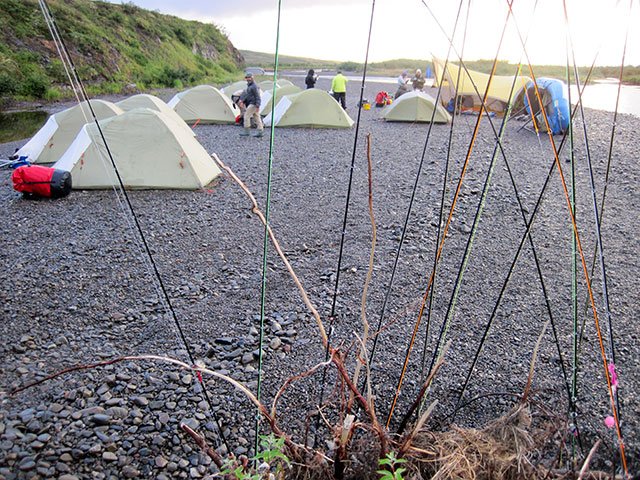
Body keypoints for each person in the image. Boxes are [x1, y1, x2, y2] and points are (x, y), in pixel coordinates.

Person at [238, 72, 264, 137]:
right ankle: (260, 131)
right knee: (257, 117)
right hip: (252, 103)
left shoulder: (254, 86)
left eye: (249, 78)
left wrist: (258, 105)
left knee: (246, 116)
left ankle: (247, 131)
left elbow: (257, 96)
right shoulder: (250, 86)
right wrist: (242, 101)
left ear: (252, 78)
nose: (248, 79)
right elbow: (248, 95)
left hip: (253, 104)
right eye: (247, 78)